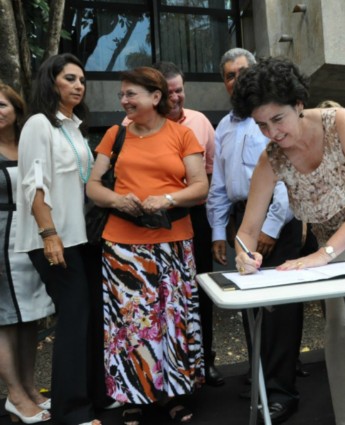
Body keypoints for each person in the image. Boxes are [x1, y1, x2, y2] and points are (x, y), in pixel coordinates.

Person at [231, 56, 345, 425]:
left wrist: (323, 255)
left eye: (278, 119)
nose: (272, 132)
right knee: (342, 324)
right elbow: (247, 230)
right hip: (333, 232)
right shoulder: (272, 159)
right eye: (261, 125)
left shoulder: (340, 122)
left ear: (298, 105)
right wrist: (243, 253)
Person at [86, 66, 209, 423]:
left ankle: (172, 395)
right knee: (130, 325)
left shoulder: (183, 135)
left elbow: (200, 186)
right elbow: (93, 186)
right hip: (123, 247)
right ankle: (133, 397)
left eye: (130, 94)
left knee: (173, 321)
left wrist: (167, 199)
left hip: (172, 242)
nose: (123, 100)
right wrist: (115, 200)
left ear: (155, 97)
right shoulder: (114, 135)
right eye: (122, 94)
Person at [206, 48, 308, 424]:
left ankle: (282, 391)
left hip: (275, 220)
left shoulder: (270, 120)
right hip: (240, 220)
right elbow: (219, 182)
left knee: (280, 309)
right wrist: (219, 230)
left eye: (243, 72)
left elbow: (286, 178)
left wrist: (270, 227)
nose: (236, 79)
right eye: (229, 74)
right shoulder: (225, 126)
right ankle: (262, 375)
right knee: (252, 303)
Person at [123, 60, 224, 387]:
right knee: (153, 298)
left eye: (180, 90)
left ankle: (203, 362)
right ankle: (155, 372)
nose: (176, 97)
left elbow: (209, 178)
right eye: (170, 91)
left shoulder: (200, 122)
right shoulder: (129, 124)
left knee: (198, 291)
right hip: (147, 221)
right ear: (155, 96)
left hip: (193, 215)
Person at [15, 53, 102, 425]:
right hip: (52, 239)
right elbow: (33, 183)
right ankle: (72, 410)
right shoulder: (38, 124)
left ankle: (95, 396)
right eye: (70, 78)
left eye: (81, 79)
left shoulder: (73, 127)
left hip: (79, 237)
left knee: (90, 316)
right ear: (52, 82)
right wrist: (49, 234)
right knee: (74, 317)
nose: (78, 85)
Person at [0, 84, 54, 424]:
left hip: (31, 237)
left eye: (2, 104)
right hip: (1, 239)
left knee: (29, 314)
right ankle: (14, 395)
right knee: (4, 317)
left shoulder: (27, 144)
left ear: (16, 109)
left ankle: (31, 389)